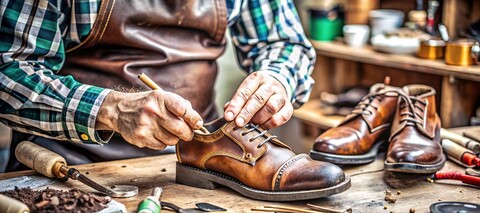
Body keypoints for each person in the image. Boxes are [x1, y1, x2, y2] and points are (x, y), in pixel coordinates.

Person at [0, 0, 315, 172]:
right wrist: (109, 109)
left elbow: (284, 42)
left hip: (198, 161)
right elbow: (8, 68)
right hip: (67, 163)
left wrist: (277, 78)